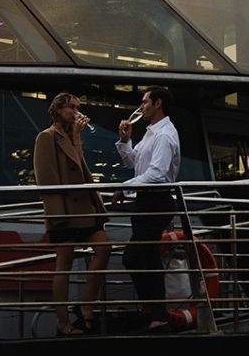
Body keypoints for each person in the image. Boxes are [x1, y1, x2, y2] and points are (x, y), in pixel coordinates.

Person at [34, 92, 111, 336]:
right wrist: (57, 215)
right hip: (65, 212)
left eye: (79, 107)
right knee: (63, 265)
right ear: (59, 110)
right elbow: (45, 178)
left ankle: (86, 304)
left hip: (84, 210)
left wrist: (77, 136)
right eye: (72, 108)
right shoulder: (46, 137)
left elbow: (81, 167)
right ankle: (64, 323)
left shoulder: (71, 135)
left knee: (104, 248)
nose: (77, 112)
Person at [113, 86, 180, 332]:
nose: (141, 107)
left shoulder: (164, 135)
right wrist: (125, 139)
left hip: (156, 200)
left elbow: (156, 174)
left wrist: (125, 187)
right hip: (146, 201)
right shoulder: (153, 132)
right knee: (147, 257)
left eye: (144, 102)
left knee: (135, 257)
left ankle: (155, 311)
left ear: (158, 103)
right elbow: (134, 161)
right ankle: (156, 312)